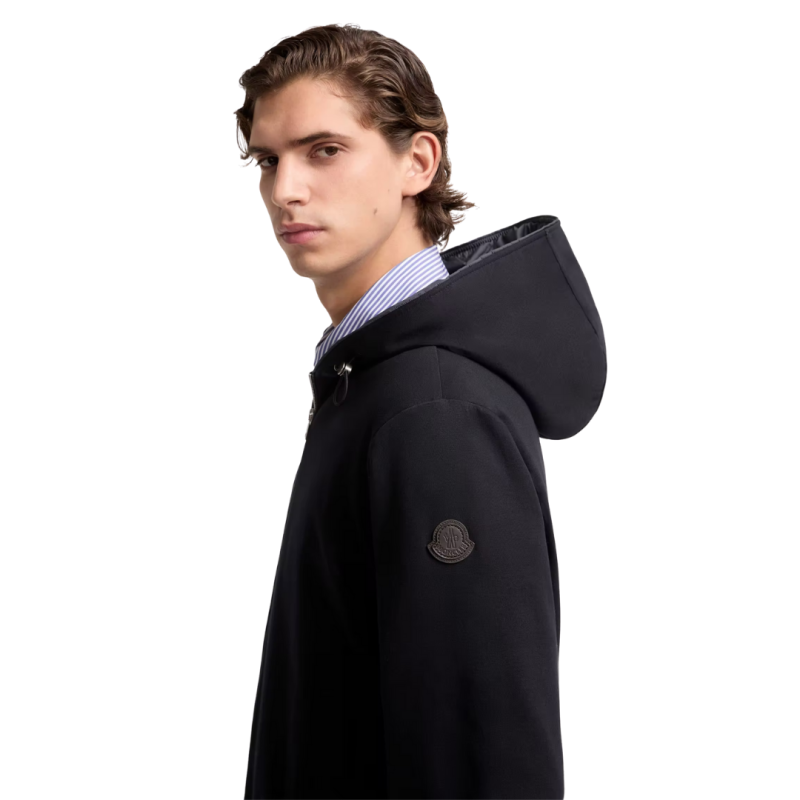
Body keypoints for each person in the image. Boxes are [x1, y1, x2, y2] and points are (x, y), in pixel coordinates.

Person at [238, 22, 604, 800]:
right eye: (267, 161)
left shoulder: (433, 411)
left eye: (324, 150)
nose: (285, 190)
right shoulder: (368, 383)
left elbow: (480, 757)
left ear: (419, 161)